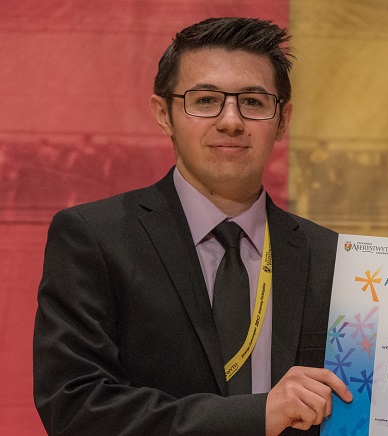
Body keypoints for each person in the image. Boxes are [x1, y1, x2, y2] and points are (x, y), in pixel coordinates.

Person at [33, 17, 351, 435]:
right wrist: (255, 416)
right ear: (163, 114)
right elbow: (75, 408)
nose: (231, 121)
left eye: (254, 103)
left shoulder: (331, 257)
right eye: (205, 101)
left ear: (283, 120)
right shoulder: (94, 239)